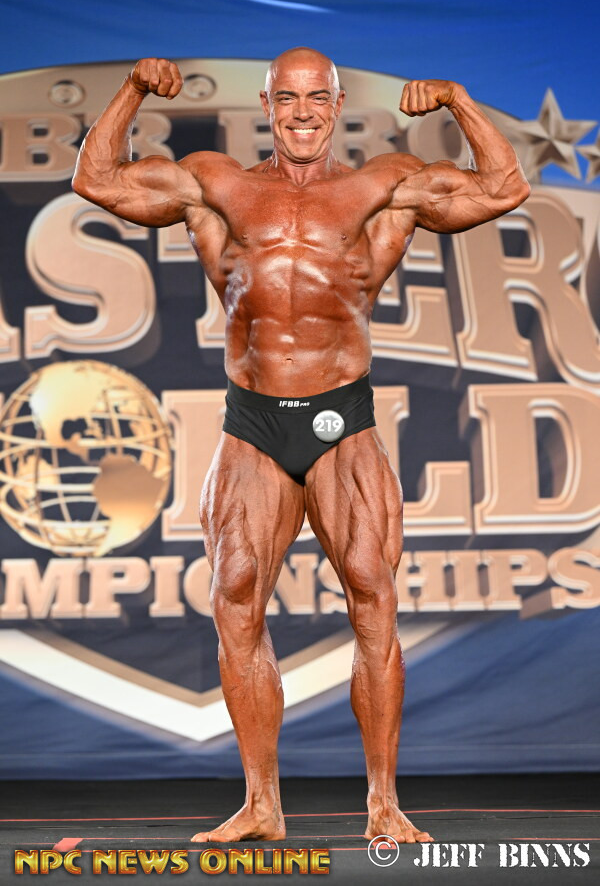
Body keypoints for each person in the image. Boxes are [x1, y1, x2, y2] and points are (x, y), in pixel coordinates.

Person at [72, 48, 530, 845]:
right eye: (288, 98)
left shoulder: (381, 186)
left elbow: (503, 187)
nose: (303, 112)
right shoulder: (217, 184)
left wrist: (459, 100)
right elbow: (97, 180)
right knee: (235, 597)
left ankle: (383, 803)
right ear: (268, 105)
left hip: (340, 419)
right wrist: (133, 89)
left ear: (338, 103)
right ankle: (261, 804)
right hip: (253, 420)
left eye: (317, 98)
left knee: (372, 596)